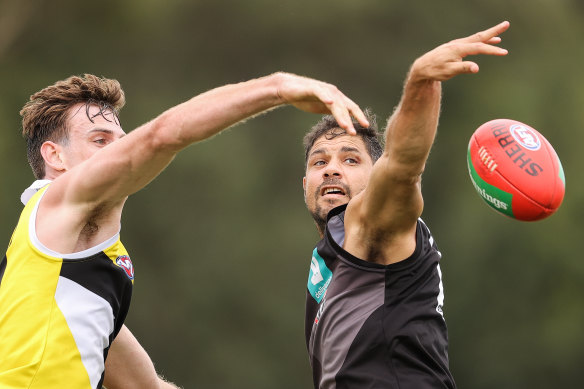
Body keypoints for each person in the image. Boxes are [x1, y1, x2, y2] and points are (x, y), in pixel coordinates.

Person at [0, 72, 369, 389]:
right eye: (100, 140)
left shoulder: (78, 271)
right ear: (55, 157)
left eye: (121, 138)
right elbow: (161, 135)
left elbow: (144, 385)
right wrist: (278, 87)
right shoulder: (54, 204)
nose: (120, 148)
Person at [302, 21, 510, 388]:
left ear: (373, 178)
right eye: (319, 162)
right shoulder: (329, 259)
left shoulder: (374, 224)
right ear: (305, 185)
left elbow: (402, 166)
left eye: (350, 160)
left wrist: (420, 83)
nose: (331, 169)